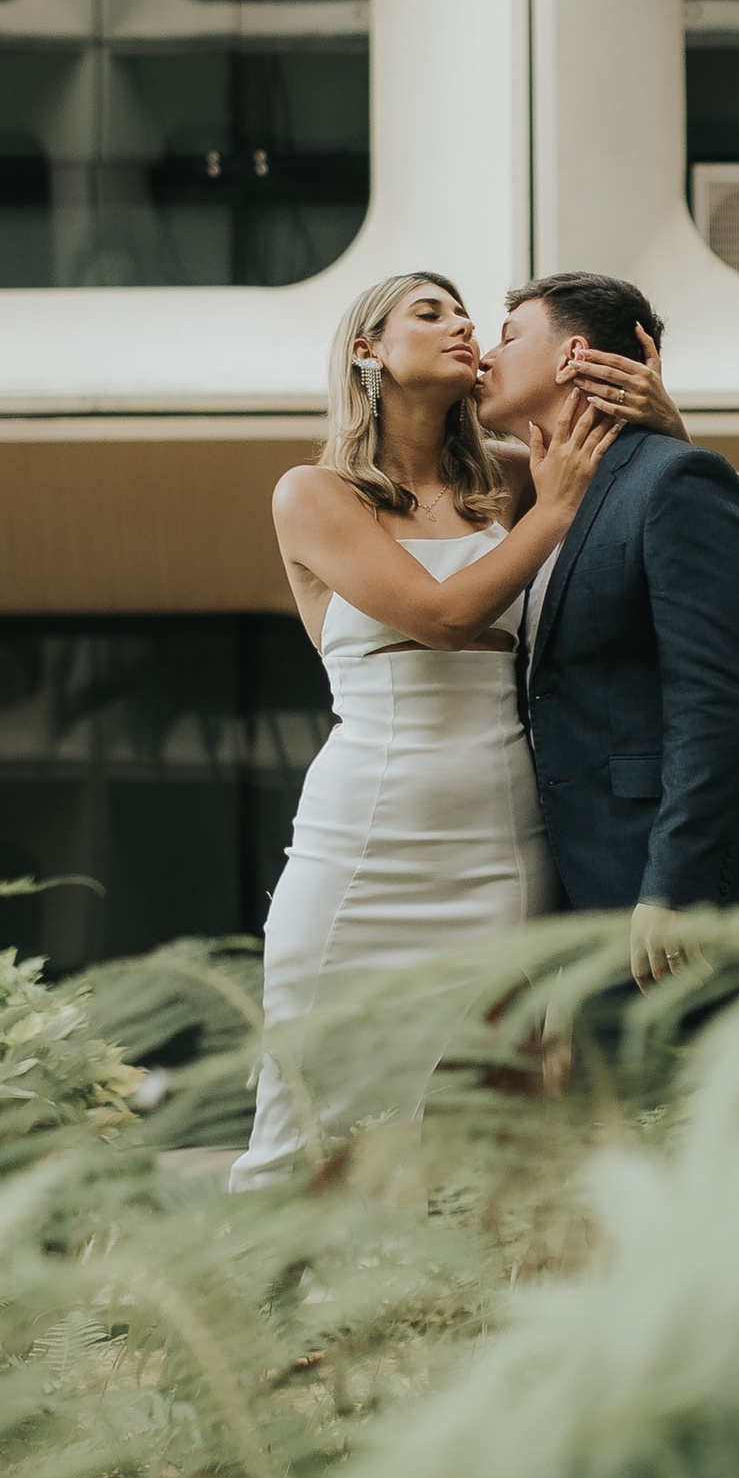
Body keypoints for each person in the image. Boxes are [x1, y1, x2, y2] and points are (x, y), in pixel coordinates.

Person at [228, 270, 619, 1187]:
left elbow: (645, 479)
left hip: (502, 834)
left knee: (500, 1113)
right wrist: (556, 512)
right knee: (301, 1112)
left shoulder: (519, 478)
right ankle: (264, 1319)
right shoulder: (313, 494)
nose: (462, 326)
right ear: (368, 349)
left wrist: (659, 409)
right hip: (361, 835)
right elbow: (441, 616)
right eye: (430, 312)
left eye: (467, 315)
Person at [479, 273, 739, 986]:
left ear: (572, 354)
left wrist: (674, 885)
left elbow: (717, 701)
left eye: (508, 338)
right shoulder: (539, 501)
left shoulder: (676, 481)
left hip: (681, 901)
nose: (485, 356)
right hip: (582, 892)